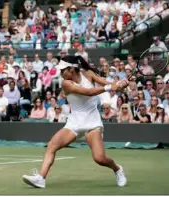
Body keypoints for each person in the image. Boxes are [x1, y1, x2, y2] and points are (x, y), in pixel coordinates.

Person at [22, 55, 128, 188]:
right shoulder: (66, 83)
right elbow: (88, 92)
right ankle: (41, 178)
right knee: (51, 146)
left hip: (92, 123)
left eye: (63, 70)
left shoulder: (88, 74)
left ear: (71, 69)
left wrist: (120, 84)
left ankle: (117, 169)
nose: (60, 73)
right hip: (74, 123)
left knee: (99, 158)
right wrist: (110, 87)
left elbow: (107, 84)